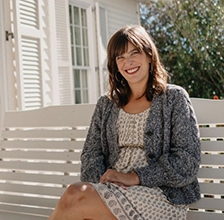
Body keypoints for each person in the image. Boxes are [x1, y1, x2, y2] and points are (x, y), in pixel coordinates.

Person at [48, 25, 201, 220]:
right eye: (120, 57)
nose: (127, 62)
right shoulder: (107, 104)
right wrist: (104, 182)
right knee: (79, 199)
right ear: (115, 65)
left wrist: (134, 178)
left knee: (75, 195)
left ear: (149, 55)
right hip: (111, 191)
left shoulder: (174, 98)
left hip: (160, 196)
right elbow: (91, 154)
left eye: (134, 53)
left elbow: (187, 160)